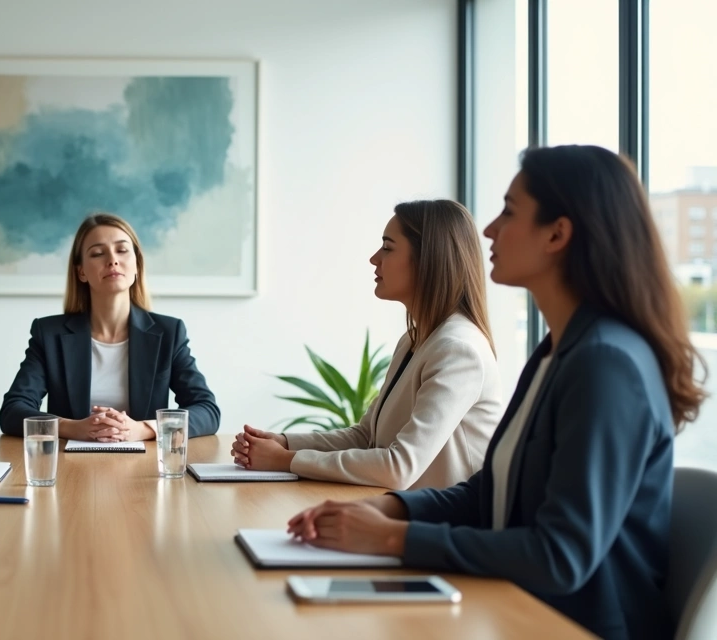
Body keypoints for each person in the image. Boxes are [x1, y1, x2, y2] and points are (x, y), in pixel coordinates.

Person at [285, 146, 703, 640]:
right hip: (516, 605)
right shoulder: (558, 351)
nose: (488, 231)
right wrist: (389, 509)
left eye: (509, 211)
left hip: (570, 624)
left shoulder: (605, 364)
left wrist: (395, 538)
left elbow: (559, 556)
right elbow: (493, 493)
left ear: (557, 233)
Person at [232, 200, 502, 490]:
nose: (374, 259)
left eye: (387, 247)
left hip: (449, 525)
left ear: (427, 258)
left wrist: (285, 460)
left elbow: (399, 467)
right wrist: (283, 443)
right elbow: (365, 436)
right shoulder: (416, 340)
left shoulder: (458, 350)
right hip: (408, 513)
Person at [0, 213, 220, 440]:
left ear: (137, 264)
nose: (112, 260)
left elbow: (207, 411)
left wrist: (143, 429)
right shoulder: (49, 334)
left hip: (144, 466)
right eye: (97, 253)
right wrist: (72, 428)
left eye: (122, 250)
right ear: (81, 272)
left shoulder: (169, 333)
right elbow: (12, 411)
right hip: (70, 467)